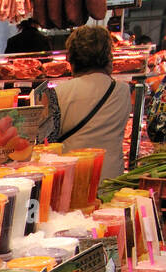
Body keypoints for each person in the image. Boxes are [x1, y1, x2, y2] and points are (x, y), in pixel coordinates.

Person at [56, 26, 132, 178]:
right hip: (110, 177)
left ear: (72, 58)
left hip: (71, 177)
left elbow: (49, 141)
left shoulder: (59, 92)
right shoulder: (123, 90)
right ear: (107, 56)